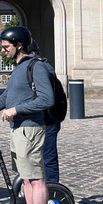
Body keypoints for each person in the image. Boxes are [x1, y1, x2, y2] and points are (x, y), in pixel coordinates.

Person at [0, 26, 53, 204]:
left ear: (20, 45)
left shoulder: (36, 66)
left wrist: (16, 110)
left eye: (6, 47)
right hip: (18, 129)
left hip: (30, 129)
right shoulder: (18, 69)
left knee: (36, 178)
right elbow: (7, 96)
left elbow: (47, 99)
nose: (3, 50)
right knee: (26, 177)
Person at [26, 41, 61, 183]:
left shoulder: (42, 69)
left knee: (48, 158)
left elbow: (44, 98)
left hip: (48, 119)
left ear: (33, 53)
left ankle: (52, 191)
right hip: (38, 120)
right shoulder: (34, 68)